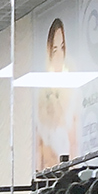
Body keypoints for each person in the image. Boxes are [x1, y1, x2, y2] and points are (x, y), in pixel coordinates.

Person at [33, 16, 77, 171]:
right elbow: (38, 148)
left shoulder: (72, 93)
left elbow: (74, 144)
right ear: (49, 52)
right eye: (55, 49)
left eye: (62, 47)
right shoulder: (41, 97)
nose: (59, 54)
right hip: (47, 176)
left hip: (66, 175)